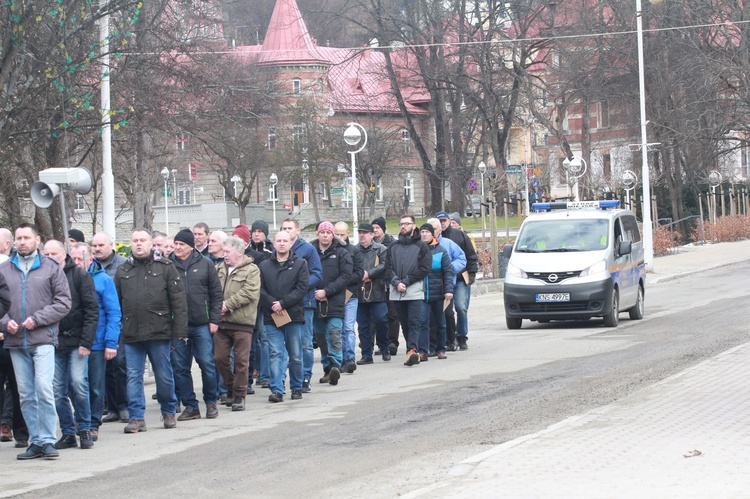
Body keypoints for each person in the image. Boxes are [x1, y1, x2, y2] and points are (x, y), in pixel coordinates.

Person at [0, 223, 71, 460]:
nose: (22, 242)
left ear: (37, 240)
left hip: (42, 338)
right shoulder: (5, 269)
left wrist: (38, 319)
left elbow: (63, 302)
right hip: (15, 341)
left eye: (26, 237)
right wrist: (4, 321)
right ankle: (36, 441)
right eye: (18, 237)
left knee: (43, 388)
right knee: (26, 393)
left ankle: (49, 439)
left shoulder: (50, 267)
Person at [115, 229, 186, 433]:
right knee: (133, 376)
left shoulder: (166, 267)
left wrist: (180, 330)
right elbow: (117, 304)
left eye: (143, 240)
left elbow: (178, 301)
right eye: (135, 240)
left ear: (151, 244)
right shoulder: (123, 271)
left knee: (164, 375)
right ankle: (136, 417)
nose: (139, 244)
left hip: (160, 332)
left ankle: (168, 411)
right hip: (132, 333)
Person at [42, 240, 98, 450]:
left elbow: (92, 310)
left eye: (53, 253)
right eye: (46, 253)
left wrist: (86, 342)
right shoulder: (43, 276)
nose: (50, 257)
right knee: (57, 390)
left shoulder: (80, 276)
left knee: (78, 384)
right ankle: (67, 432)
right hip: (54, 342)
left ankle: (84, 428)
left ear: (63, 253)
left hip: (77, 342)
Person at [169, 229, 222, 421]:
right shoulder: (167, 266)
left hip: (201, 324)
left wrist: (214, 319)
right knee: (180, 368)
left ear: (191, 246)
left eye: (181, 244)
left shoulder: (206, 264)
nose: (177, 247)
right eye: (175, 244)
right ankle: (191, 406)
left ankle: (211, 402)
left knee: (207, 363)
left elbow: (216, 294)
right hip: (177, 327)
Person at [71, 243, 120, 443]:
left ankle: (92, 423)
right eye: (72, 259)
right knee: (74, 384)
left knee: (95, 386)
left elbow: (113, 312)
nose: (76, 263)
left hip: (97, 342)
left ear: (91, 259)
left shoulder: (103, 280)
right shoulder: (68, 279)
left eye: (79, 258)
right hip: (74, 341)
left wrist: (111, 342)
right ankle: (80, 418)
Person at [258, 231, 308, 402]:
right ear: (273, 243)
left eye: (285, 241)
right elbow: (260, 290)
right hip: (271, 316)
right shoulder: (264, 266)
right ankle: (277, 389)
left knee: (295, 354)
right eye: (278, 240)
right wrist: (273, 303)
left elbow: (301, 289)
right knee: (275, 353)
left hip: (293, 315)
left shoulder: (300, 264)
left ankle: (296, 386)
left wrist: (283, 303)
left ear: (291, 243)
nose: (281, 244)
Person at [215, 236, 260, 411]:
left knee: (242, 361)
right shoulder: (218, 269)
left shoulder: (252, 270)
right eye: (223, 251)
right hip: (221, 323)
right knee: (219, 358)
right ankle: (231, 387)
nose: (224, 255)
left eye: (227, 252)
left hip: (242, 322)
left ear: (239, 252)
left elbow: (250, 293)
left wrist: (227, 305)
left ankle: (239, 396)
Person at [280, 218, 322, 393]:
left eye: (290, 228)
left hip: (304, 302)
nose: (287, 231)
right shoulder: (278, 250)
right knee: (281, 344)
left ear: (298, 231)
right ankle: (281, 379)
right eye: (284, 228)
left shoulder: (308, 250)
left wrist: (300, 286)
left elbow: (317, 274)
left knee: (304, 343)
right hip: (283, 304)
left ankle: (305, 377)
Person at [90, 232, 129, 424]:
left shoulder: (122, 264)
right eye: (94, 246)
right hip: (98, 324)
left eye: (101, 245)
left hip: (118, 321)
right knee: (105, 369)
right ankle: (112, 407)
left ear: (111, 245)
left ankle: (124, 406)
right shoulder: (91, 267)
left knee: (119, 364)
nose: (97, 249)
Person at [383, 215, 431, 366]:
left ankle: (412, 349)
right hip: (397, 290)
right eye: (401, 223)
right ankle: (410, 350)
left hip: (414, 289)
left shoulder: (421, 246)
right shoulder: (393, 246)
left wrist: (407, 281)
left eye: (407, 223)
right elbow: (387, 268)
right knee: (404, 322)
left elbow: (424, 268)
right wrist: (396, 282)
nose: (403, 226)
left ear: (414, 226)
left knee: (414, 321)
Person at [311, 221, 353, 385]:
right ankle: (327, 369)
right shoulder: (311, 252)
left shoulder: (342, 253)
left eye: (329, 232)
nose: (325, 235)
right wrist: (315, 292)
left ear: (333, 234)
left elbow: (345, 276)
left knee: (334, 334)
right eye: (323, 232)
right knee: (321, 338)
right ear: (318, 234)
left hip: (334, 301)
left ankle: (336, 364)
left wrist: (327, 291)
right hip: (315, 302)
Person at [438, 211, 479, 350]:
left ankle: (462, 336)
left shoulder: (460, 235)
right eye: (440, 221)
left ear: (449, 221)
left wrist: (472, 273)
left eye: (444, 220)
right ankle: (449, 337)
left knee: (461, 307)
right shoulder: (434, 238)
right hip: (443, 281)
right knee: (446, 311)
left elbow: (470, 255)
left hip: (460, 278)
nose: (442, 223)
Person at [427, 218, 465, 355]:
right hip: (429, 288)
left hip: (445, 287)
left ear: (440, 230)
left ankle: (450, 340)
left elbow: (462, 259)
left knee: (447, 314)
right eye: (428, 229)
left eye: (434, 229)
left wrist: (448, 268)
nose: (432, 232)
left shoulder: (448, 244)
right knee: (430, 317)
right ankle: (433, 345)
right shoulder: (422, 246)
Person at [354, 223, 390, 364]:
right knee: (363, 325)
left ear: (372, 234)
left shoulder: (381, 249)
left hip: (377, 291)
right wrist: (359, 275)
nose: (362, 235)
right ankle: (366, 354)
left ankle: (384, 347)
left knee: (381, 320)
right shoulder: (354, 250)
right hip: (359, 291)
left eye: (365, 233)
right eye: (360, 232)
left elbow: (384, 265)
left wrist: (369, 273)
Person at [419, 224, 453, 361]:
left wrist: (448, 290)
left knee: (441, 323)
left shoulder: (441, 251)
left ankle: (441, 349)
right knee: (422, 322)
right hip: (422, 294)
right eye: (422, 232)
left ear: (433, 234)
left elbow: (448, 272)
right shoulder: (417, 250)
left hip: (438, 293)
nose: (424, 234)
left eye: (427, 232)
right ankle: (423, 350)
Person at [333, 222, 363, 375]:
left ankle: (350, 358)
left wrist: (343, 280)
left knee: (348, 328)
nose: (339, 237)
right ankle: (340, 359)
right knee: (337, 330)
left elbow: (359, 273)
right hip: (334, 295)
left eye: (341, 234)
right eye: (336, 234)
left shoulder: (354, 251)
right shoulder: (331, 251)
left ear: (348, 233)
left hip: (351, 294)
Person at [371, 217, 399, 355]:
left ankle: (392, 342)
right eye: (373, 228)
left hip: (390, 282)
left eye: (378, 228)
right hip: (375, 284)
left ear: (384, 229)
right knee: (377, 315)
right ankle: (381, 343)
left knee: (392, 314)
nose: (375, 230)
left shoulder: (392, 243)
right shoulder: (369, 245)